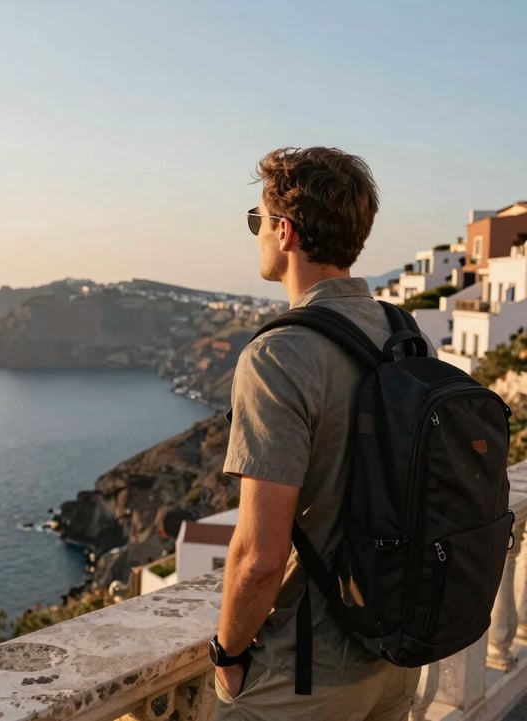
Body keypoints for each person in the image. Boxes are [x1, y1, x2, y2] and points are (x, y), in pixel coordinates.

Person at [212, 147, 421, 720]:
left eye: (256, 220)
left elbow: (259, 555)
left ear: (284, 232)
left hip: (305, 674)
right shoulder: (404, 335)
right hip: (394, 654)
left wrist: (226, 654)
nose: (255, 233)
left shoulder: (278, 355)